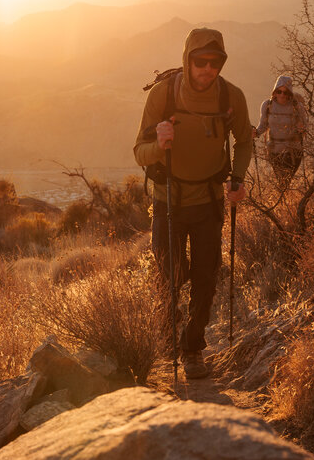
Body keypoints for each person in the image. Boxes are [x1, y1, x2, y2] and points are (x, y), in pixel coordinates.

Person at [133, 28, 254, 379]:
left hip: (209, 200)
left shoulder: (231, 97)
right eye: (201, 61)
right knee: (169, 275)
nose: (208, 69)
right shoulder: (163, 95)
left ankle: (192, 348)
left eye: (215, 62)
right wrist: (159, 145)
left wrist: (238, 178)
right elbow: (139, 152)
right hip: (168, 199)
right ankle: (168, 336)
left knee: (206, 277)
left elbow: (244, 142)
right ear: (188, 60)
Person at [256, 75, 307, 189]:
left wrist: (301, 127)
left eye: (285, 92)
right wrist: (256, 133)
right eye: (279, 91)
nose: (282, 95)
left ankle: (284, 197)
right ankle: (285, 198)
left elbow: (305, 127)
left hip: (293, 151)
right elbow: (263, 125)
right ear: (275, 92)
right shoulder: (267, 105)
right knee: (282, 181)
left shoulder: (297, 106)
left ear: (290, 93)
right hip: (274, 150)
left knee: (284, 181)